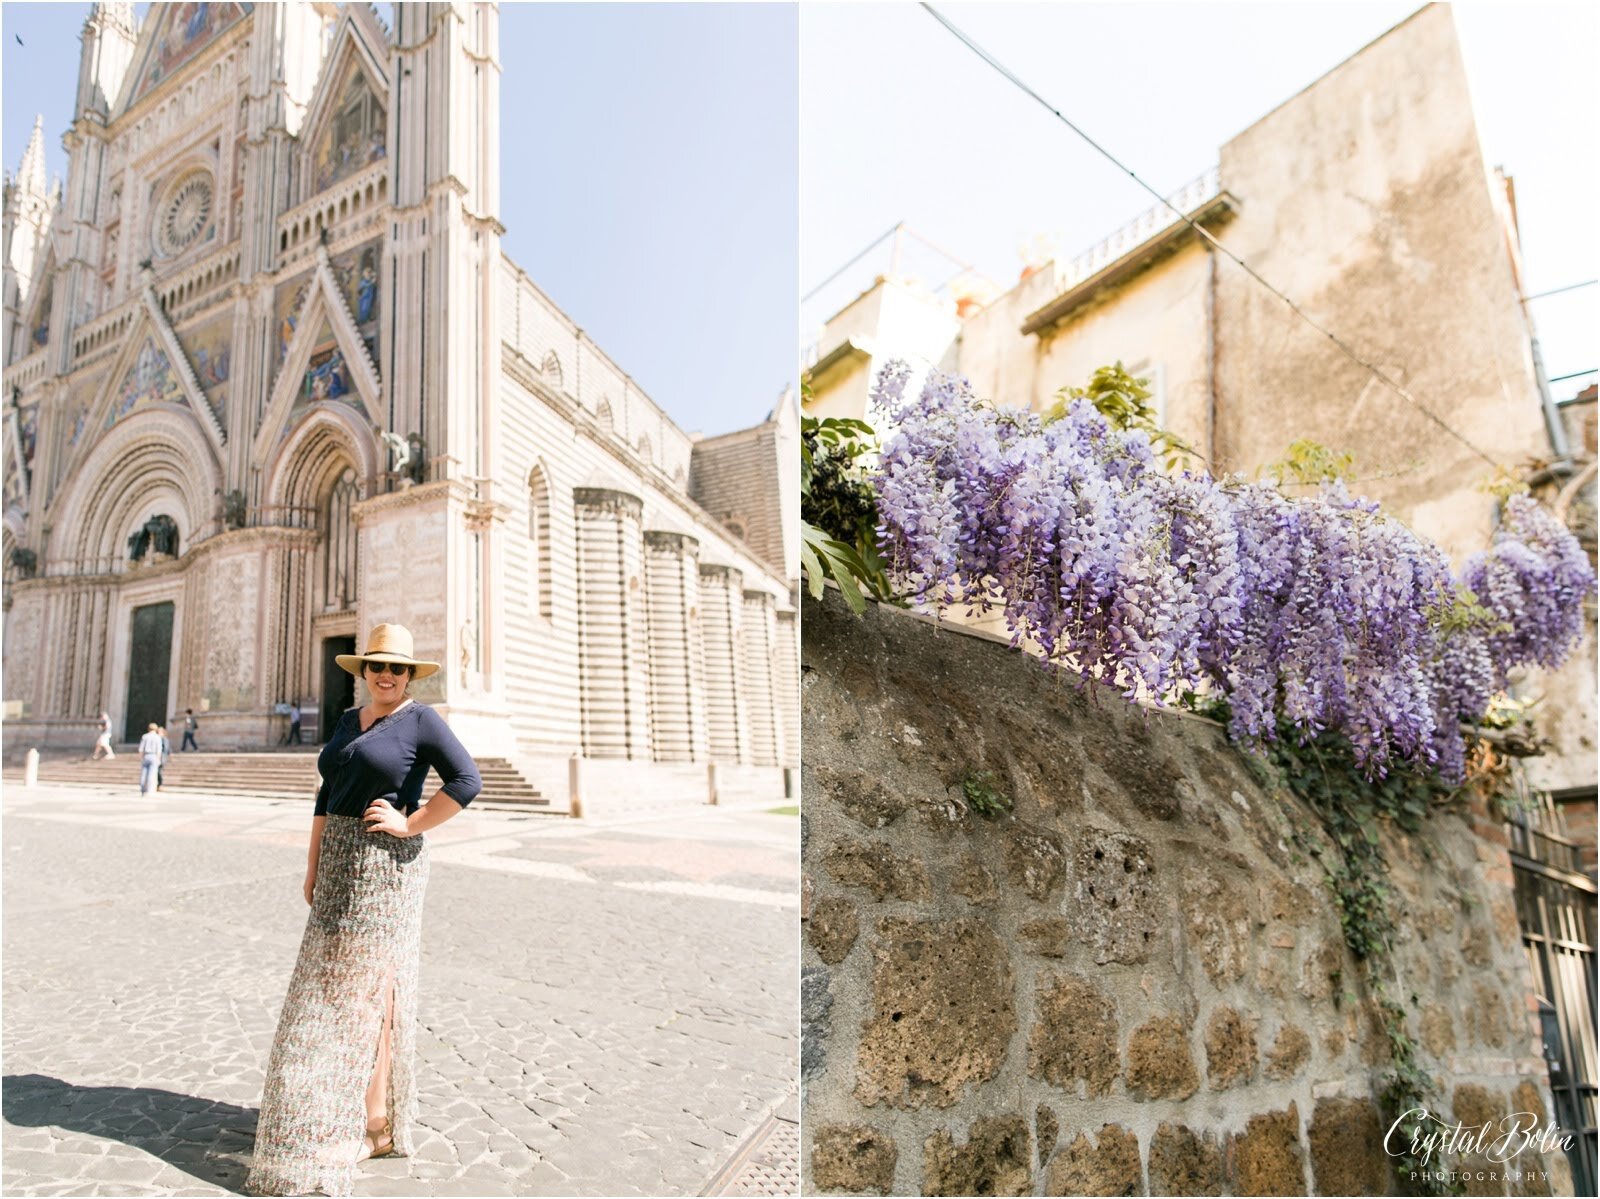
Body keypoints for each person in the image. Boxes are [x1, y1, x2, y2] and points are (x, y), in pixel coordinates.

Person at [246, 624, 481, 1197]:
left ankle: (375, 1123)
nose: (386, 675)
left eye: (397, 669)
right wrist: (312, 865)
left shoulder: (420, 720)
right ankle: (342, 1106)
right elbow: (326, 796)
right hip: (337, 866)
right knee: (328, 992)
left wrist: (411, 822)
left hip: (385, 870)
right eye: (376, 666)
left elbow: (467, 780)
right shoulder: (350, 721)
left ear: (409, 676)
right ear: (362, 671)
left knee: (368, 995)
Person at [137, 723, 163, 796]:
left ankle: (142, 788)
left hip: (146, 755)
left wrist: (141, 757)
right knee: (152, 774)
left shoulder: (145, 736)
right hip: (154, 756)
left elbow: (141, 749)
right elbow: (159, 750)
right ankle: (150, 790)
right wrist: (158, 759)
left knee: (144, 773)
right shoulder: (157, 737)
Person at [156, 726, 171, 791]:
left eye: (158, 732)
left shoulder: (164, 739)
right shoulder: (158, 738)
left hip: (161, 758)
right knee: (157, 771)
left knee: (159, 771)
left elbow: (166, 749)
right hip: (158, 757)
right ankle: (158, 785)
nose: (157, 733)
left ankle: (160, 785)